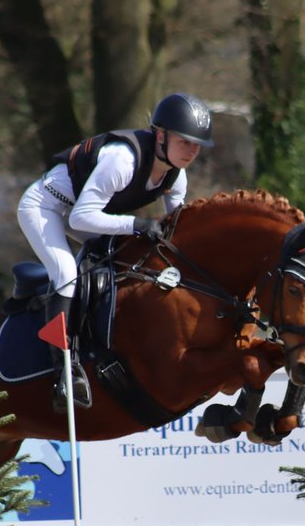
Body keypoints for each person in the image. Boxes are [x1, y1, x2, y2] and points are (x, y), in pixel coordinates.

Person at [17, 92, 214, 411]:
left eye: (197, 145)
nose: (192, 151)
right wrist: (136, 223)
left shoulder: (177, 176)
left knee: (123, 256)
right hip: (46, 206)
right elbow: (81, 217)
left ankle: (97, 340)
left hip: (82, 211)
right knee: (67, 274)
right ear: (160, 135)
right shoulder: (122, 160)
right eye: (185, 141)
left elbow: (178, 231)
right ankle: (63, 373)